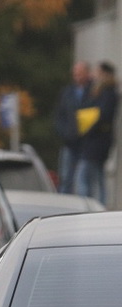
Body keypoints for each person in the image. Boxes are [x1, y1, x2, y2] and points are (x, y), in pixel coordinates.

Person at [75, 61, 119, 205]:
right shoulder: (101, 91)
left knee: (85, 175)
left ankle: (89, 205)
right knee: (97, 175)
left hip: (98, 140)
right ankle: (98, 204)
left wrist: (89, 125)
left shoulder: (108, 92)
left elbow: (103, 115)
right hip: (97, 140)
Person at [55, 61, 92, 194]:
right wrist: (64, 132)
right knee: (65, 178)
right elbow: (60, 115)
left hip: (87, 143)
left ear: (87, 74)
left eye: (80, 74)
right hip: (69, 141)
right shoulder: (67, 92)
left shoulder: (94, 91)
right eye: (75, 74)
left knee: (83, 179)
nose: (77, 77)